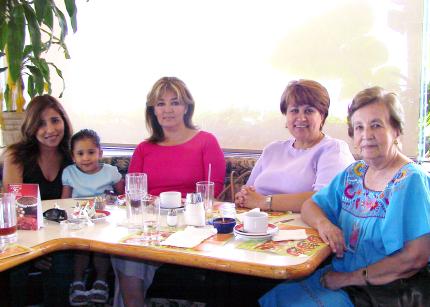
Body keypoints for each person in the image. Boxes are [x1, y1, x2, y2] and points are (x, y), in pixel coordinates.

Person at [260, 86, 430, 306]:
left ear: (396, 130)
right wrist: (325, 225)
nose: (366, 135)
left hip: (387, 289)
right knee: (273, 295)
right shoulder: (355, 173)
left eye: (376, 125)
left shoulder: (411, 180)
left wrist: (348, 279)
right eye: (359, 127)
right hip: (342, 274)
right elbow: (311, 205)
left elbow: (415, 258)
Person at [111, 76, 226, 307]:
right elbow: (133, 194)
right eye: (160, 103)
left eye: (175, 102)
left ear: (186, 107)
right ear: (152, 109)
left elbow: (213, 192)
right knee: (125, 250)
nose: (168, 109)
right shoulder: (144, 148)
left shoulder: (206, 141)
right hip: (150, 222)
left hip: (191, 223)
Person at [235, 79, 354, 212]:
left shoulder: (333, 149)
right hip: (258, 225)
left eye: (309, 111)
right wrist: (243, 197)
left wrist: (264, 202)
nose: (301, 118)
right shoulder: (272, 149)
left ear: (322, 115)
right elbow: (248, 191)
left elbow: (324, 200)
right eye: (294, 110)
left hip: (304, 229)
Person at [2, 94, 74, 306]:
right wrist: (37, 251)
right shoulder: (16, 156)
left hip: (60, 238)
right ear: (31, 127)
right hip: (24, 237)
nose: (50, 130)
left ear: (64, 121)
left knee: (61, 261)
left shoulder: (73, 156)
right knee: (16, 265)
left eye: (55, 120)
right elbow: (17, 211)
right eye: (41, 123)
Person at [61, 129, 124, 306]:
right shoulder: (69, 172)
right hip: (78, 219)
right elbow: (64, 201)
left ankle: (101, 282)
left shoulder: (110, 171)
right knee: (80, 249)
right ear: (73, 156)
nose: (86, 158)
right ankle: (78, 282)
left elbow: (122, 196)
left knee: (100, 249)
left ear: (100, 153)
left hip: (103, 220)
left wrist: (112, 200)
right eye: (80, 153)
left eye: (91, 152)